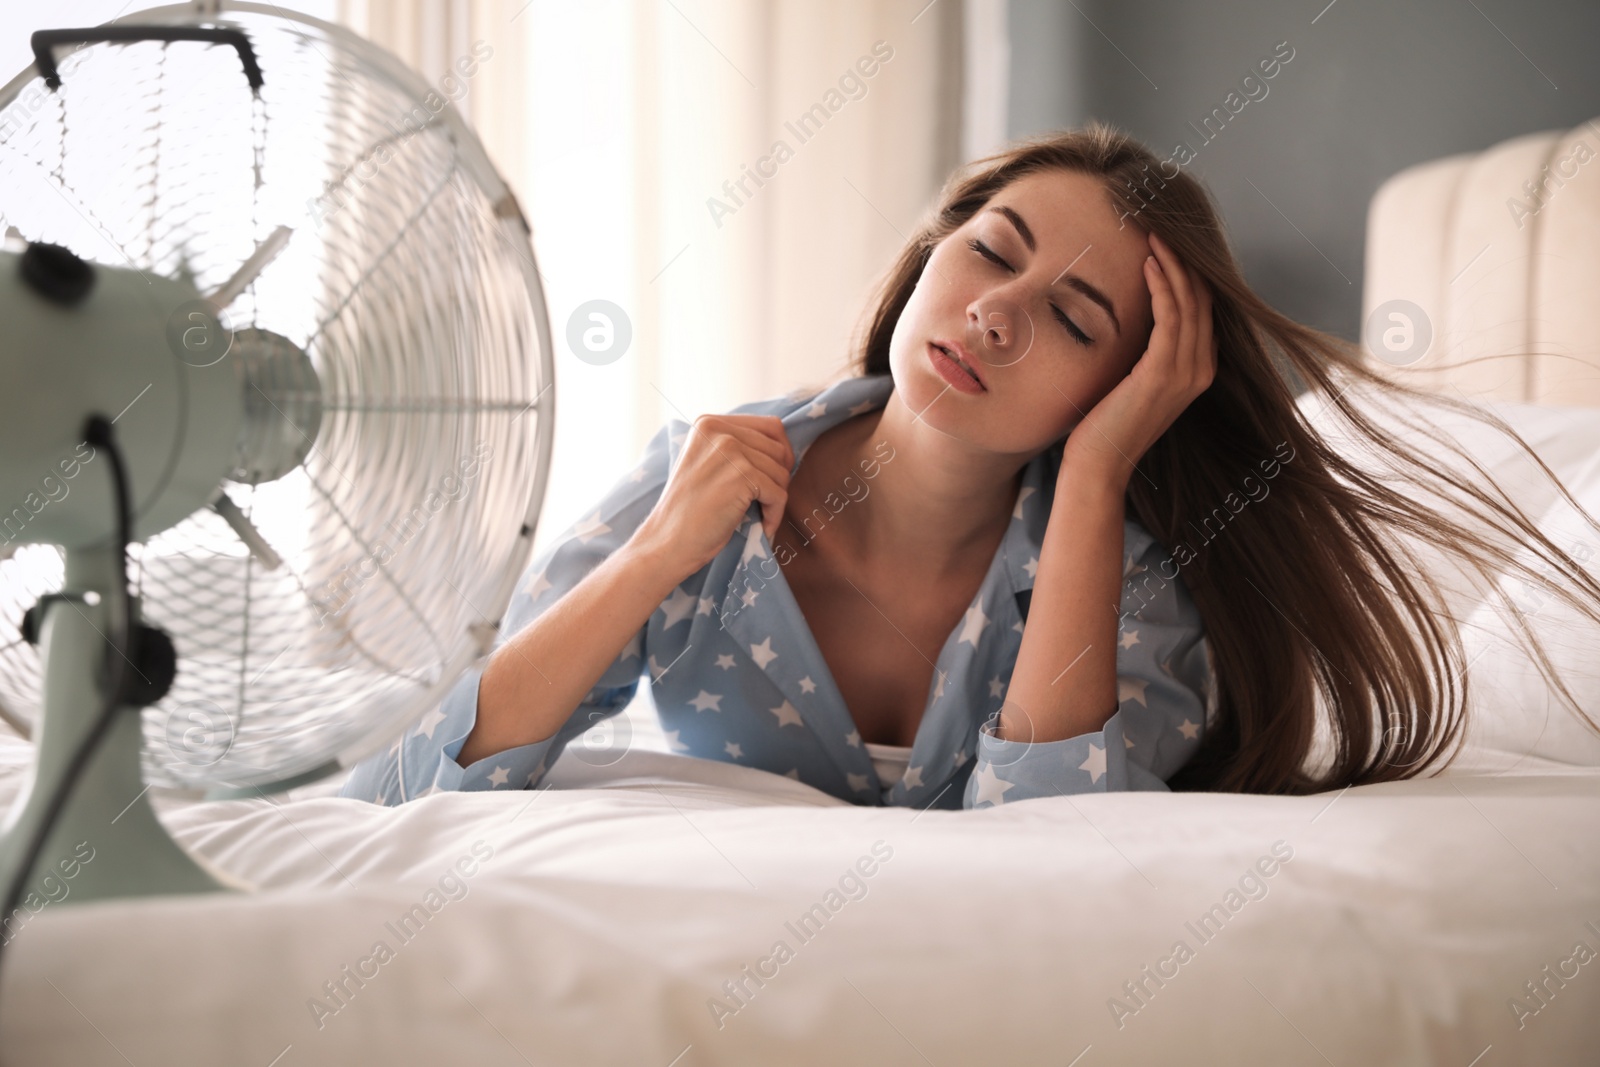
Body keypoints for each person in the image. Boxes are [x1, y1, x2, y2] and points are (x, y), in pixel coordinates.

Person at [341, 122, 1600, 808]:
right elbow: (430, 770)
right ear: (933, 251)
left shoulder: (1130, 581)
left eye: (1075, 320)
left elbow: (1052, 830)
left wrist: (1101, 472)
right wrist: (666, 548)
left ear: (1126, 386)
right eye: (992, 251)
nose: (998, 313)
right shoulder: (713, 473)